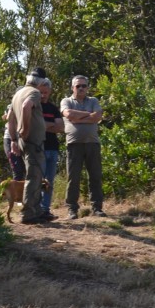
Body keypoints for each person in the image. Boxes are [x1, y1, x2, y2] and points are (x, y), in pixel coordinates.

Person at [7, 69, 48, 224]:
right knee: (34, 176)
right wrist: (25, 129)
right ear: (41, 82)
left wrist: (13, 139)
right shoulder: (34, 93)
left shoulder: (18, 93)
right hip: (33, 142)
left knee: (34, 175)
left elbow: (10, 118)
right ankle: (28, 213)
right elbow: (26, 107)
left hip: (24, 141)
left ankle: (37, 210)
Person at [61, 75, 105, 218]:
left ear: (87, 87)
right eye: (78, 86)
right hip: (74, 144)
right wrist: (88, 115)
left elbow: (97, 117)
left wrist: (78, 118)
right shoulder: (66, 101)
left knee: (95, 176)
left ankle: (97, 208)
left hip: (93, 143)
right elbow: (68, 114)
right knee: (73, 178)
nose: (81, 88)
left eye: (84, 86)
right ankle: (72, 209)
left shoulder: (93, 100)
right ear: (72, 87)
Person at [38, 77, 62, 218]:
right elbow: (35, 126)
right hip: (39, 148)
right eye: (41, 92)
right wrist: (51, 124)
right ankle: (36, 209)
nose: (43, 95)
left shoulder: (53, 108)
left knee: (49, 181)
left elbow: (60, 127)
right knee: (37, 181)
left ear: (50, 92)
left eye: (45, 92)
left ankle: (45, 209)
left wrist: (44, 125)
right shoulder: (35, 107)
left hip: (53, 147)